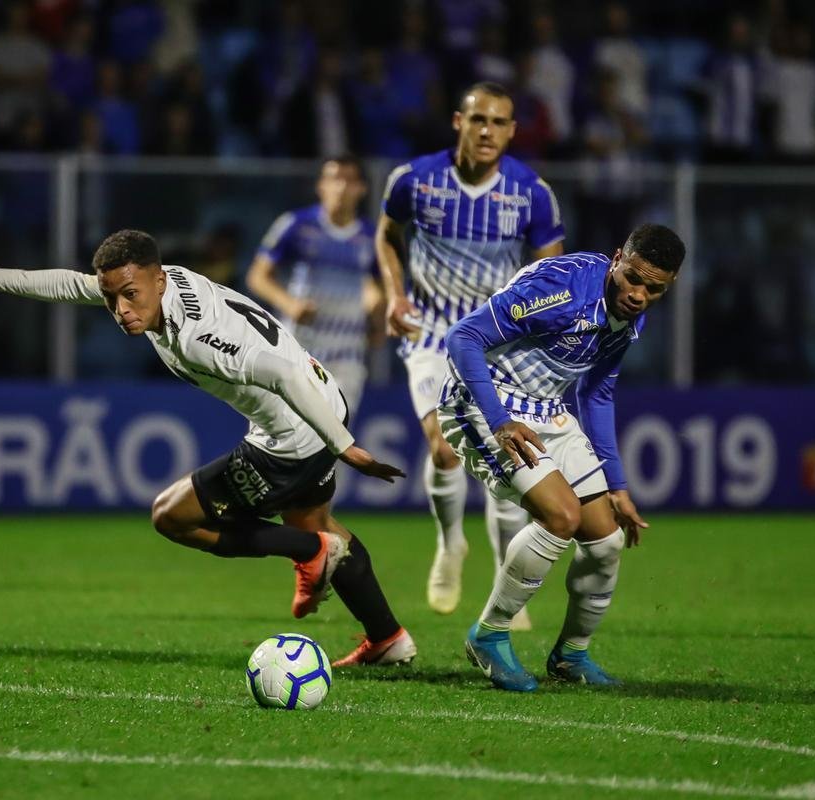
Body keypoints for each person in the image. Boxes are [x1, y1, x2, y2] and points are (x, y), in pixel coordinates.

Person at [0, 229, 417, 667]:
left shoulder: (198, 336)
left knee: (172, 516)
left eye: (130, 296)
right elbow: (74, 285)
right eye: (113, 298)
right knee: (318, 524)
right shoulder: (159, 282)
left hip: (294, 434)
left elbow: (283, 374)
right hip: (325, 397)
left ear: (158, 281)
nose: (121, 311)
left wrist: (345, 447)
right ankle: (386, 637)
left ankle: (311, 552)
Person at [440, 223, 685, 691]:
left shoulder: (631, 315)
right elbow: (462, 338)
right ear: (617, 258)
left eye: (654, 288)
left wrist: (617, 485)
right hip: (483, 403)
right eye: (633, 278)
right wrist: (498, 420)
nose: (639, 295)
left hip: (548, 412)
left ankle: (571, 655)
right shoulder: (560, 290)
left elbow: (596, 392)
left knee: (606, 540)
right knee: (561, 516)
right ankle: (489, 635)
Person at [376, 81, 565, 626]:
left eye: (500, 123)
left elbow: (548, 274)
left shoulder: (532, 193)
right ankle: (451, 544)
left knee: (506, 465)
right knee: (442, 448)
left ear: (511, 131)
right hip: (431, 333)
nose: (488, 132)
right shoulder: (414, 179)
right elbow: (387, 235)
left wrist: (542, 339)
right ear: (459, 121)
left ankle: (508, 575)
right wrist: (394, 293)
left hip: (496, 340)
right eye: (479, 119)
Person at [247, 155, 378, 414]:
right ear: (321, 186)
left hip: (347, 358)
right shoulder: (296, 225)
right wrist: (289, 304)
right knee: (284, 438)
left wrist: (378, 313)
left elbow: (376, 285)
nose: (341, 188)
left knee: (331, 439)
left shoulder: (372, 237)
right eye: (334, 179)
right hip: (297, 348)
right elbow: (257, 276)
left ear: (362, 189)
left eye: (350, 181)